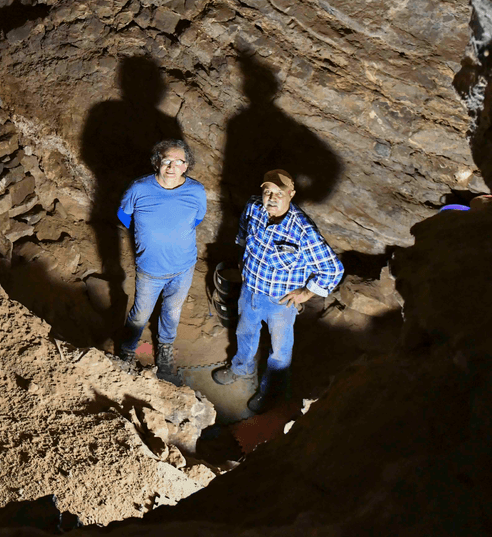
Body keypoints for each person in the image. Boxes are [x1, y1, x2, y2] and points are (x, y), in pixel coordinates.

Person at [212, 169, 343, 413]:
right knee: (245, 332)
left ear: (291, 194)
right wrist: (243, 257)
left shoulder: (303, 231)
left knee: (280, 352)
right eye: (267, 191)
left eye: (279, 193)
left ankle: (270, 392)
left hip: (280, 302)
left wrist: (306, 293)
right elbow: (243, 231)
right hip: (250, 289)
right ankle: (240, 369)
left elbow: (333, 269)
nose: (272, 197)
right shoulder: (253, 207)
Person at [115, 140, 208, 382]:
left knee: (172, 311)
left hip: (183, 267)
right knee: (140, 314)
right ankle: (127, 350)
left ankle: (165, 347)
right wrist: (144, 232)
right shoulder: (139, 188)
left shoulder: (196, 191)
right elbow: (124, 214)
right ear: (157, 161)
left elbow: (197, 218)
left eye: (179, 162)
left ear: (186, 166)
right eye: (167, 160)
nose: (172, 166)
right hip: (150, 268)